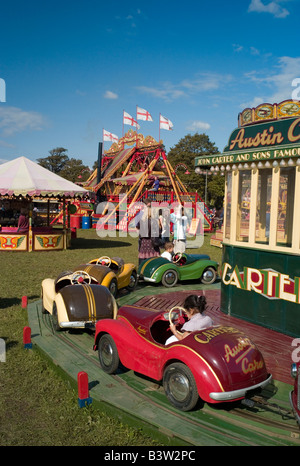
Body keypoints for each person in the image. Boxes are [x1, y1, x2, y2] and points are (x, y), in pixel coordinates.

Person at [136, 198, 160, 264]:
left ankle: (141, 270)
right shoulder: (154, 221)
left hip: (144, 241)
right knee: (153, 259)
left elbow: (137, 228)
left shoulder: (141, 221)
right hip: (152, 241)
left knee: (143, 258)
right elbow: (158, 233)